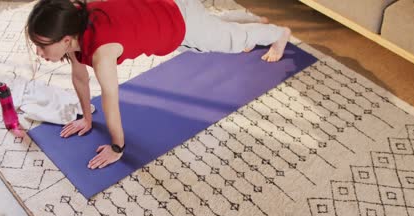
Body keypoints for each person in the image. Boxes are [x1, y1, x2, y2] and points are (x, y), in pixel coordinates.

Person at [25, 0, 291, 170]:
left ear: (67, 40)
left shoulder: (102, 52)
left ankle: (279, 34)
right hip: (165, 8)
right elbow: (79, 77)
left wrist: (117, 148)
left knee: (231, 42)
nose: (39, 52)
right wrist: (86, 118)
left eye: (42, 46)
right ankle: (251, 24)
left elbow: (111, 102)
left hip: (179, 20)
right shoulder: (75, 21)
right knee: (218, 34)